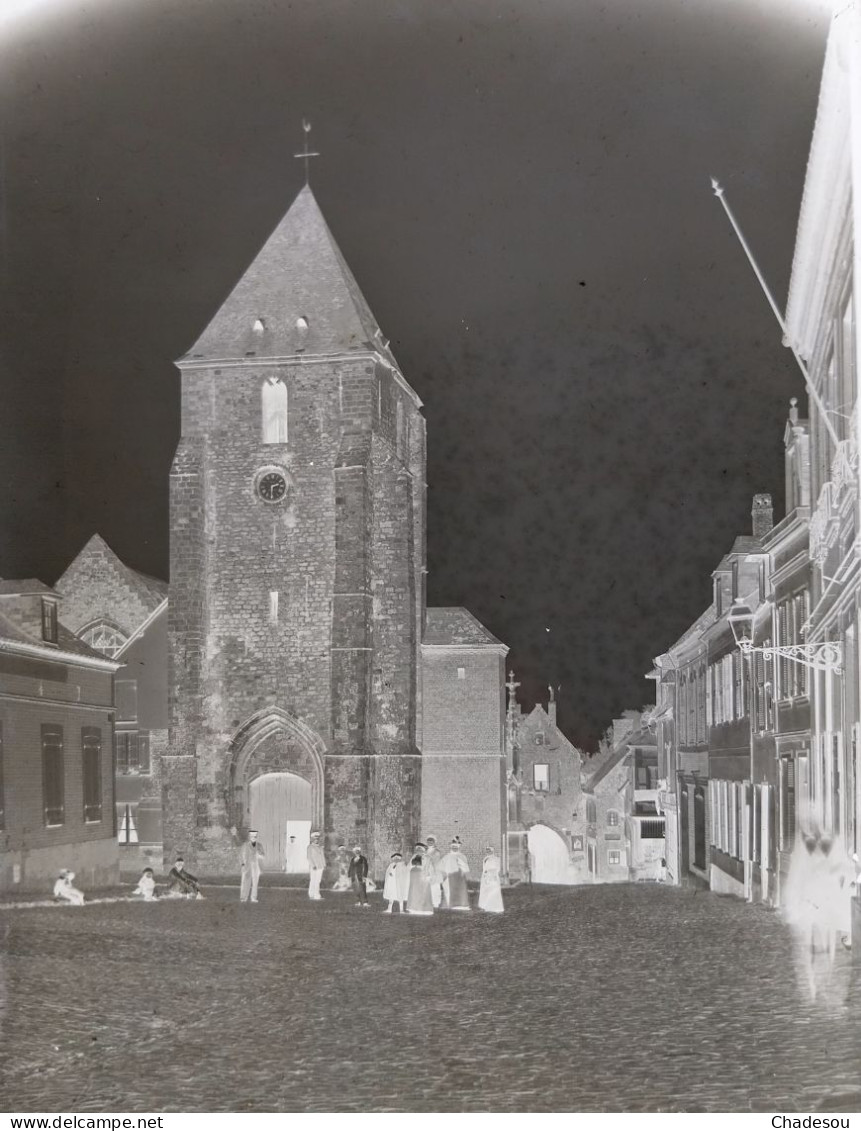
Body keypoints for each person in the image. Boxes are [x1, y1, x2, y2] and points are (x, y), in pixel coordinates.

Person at [439, 838, 471, 910]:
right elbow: (441, 866)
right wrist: (444, 874)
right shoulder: (447, 856)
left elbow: (466, 866)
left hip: (460, 876)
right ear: (451, 847)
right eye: (453, 847)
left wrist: (465, 872)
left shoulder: (462, 856)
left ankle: (461, 904)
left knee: (460, 890)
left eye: (456, 847)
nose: (454, 848)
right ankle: (451, 904)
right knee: (449, 890)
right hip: (450, 876)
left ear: (458, 847)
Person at [407, 843, 434, 915]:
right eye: (417, 849)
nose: (418, 851)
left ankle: (424, 909)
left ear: (423, 850)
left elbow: (430, 868)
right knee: (414, 893)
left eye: (420, 849)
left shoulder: (427, 858)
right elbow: (408, 866)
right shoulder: (414, 857)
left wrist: (429, 876)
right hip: (414, 878)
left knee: (423, 892)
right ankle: (413, 908)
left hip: (423, 877)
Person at [239, 829, 265, 903]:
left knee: (255, 882)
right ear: (250, 837)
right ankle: (243, 897)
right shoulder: (245, 845)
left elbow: (263, 855)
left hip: (256, 866)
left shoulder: (259, 845)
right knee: (245, 882)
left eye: (255, 837)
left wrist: (259, 855)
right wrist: (242, 864)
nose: (253, 838)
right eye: (252, 836)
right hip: (247, 866)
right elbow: (241, 855)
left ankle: (253, 897)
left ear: (256, 837)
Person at [478, 846, 504, 913]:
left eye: (489, 851)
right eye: (487, 851)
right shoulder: (485, 859)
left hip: (493, 876)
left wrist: (492, 873)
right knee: (486, 891)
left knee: (493, 890)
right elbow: (484, 868)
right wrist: (485, 874)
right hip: (486, 877)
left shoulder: (496, 859)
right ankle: (485, 905)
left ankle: (494, 906)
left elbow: (497, 868)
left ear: (492, 851)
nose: (488, 852)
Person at [425, 835, 444, 909]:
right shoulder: (424, 850)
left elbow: (436, 861)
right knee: (427, 887)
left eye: (431, 841)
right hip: (426, 870)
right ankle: (427, 902)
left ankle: (436, 902)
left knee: (435, 887)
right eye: (428, 841)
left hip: (435, 871)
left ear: (434, 842)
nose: (430, 842)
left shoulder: (437, 852)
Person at [307, 831, 326, 901]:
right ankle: (315, 895)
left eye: (317, 838)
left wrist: (324, 865)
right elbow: (309, 857)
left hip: (320, 866)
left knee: (317, 880)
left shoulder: (320, 847)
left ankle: (312, 894)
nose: (316, 840)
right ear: (312, 839)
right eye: (315, 838)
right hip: (314, 866)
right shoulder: (310, 847)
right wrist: (313, 865)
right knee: (314, 880)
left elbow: (322, 857)